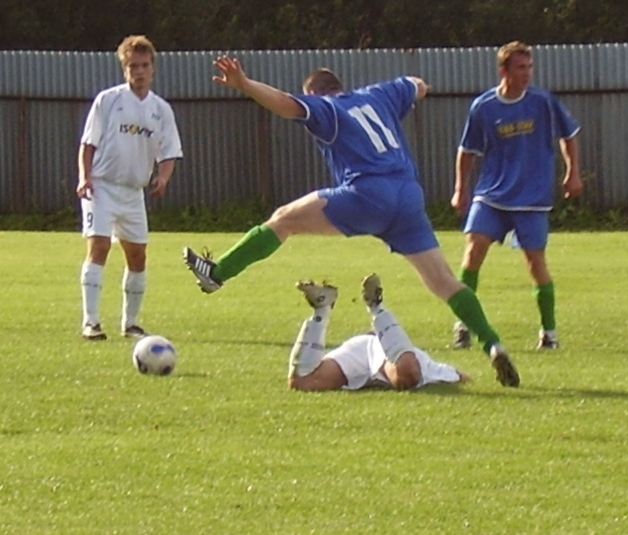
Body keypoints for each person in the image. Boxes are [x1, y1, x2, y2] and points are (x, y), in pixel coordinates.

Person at [183, 55, 519, 387]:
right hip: (409, 196)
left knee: (283, 219)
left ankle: (217, 273)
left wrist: (244, 83)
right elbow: (418, 85)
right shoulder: (379, 95)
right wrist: (410, 93)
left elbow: (286, 104)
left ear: (315, 94)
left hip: (368, 194)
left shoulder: (327, 109)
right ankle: (492, 343)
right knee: (444, 281)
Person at [451, 41, 582, 351]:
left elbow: (569, 135)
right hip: (492, 195)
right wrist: (460, 189)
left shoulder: (542, 101)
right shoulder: (484, 106)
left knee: (535, 262)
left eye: (529, 67)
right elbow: (466, 150)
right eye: (521, 67)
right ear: (504, 70)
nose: (527, 73)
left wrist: (573, 171)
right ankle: (463, 325)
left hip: (532, 198)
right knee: (473, 251)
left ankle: (549, 333)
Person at [76, 35, 183, 341]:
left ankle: (131, 323)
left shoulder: (160, 109)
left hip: (134, 193)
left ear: (153, 68)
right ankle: (91, 322)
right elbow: (88, 143)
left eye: (144, 65)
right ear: (125, 68)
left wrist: (163, 177)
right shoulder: (108, 100)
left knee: (137, 257)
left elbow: (170, 152)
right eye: (133, 65)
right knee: (98, 247)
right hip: (102, 186)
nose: (139, 71)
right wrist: (84, 178)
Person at [288, 273, 471, 391]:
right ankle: (375, 307)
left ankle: (322, 308)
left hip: (376, 348)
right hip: (373, 346)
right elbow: (462, 376)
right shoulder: (434, 369)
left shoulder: (434, 369)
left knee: (406, 376)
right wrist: (462, 377)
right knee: (408, 375)